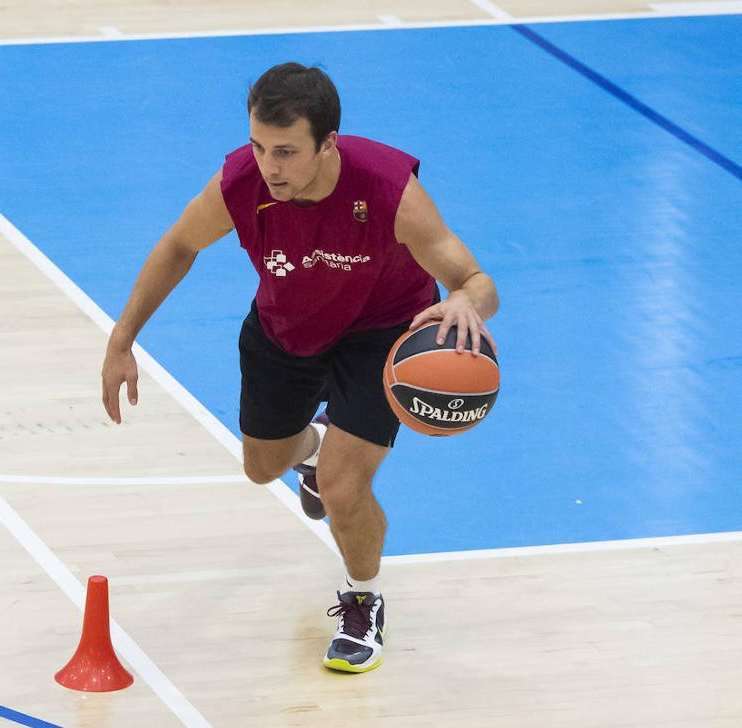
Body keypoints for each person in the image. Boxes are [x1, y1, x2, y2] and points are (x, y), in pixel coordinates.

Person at [100, 62, 499, 673]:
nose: (269, 165)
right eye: (260, 146)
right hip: (286, 329)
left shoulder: (389, 192)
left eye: (286, 151)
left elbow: (474, 279)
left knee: (346, 487)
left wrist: (468, 299)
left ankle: (362, 599)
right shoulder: (241, 182)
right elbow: (179, 245)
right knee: (262, 468)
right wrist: (121, 339)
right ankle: (310, 452)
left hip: (381, 336)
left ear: (328, 143)